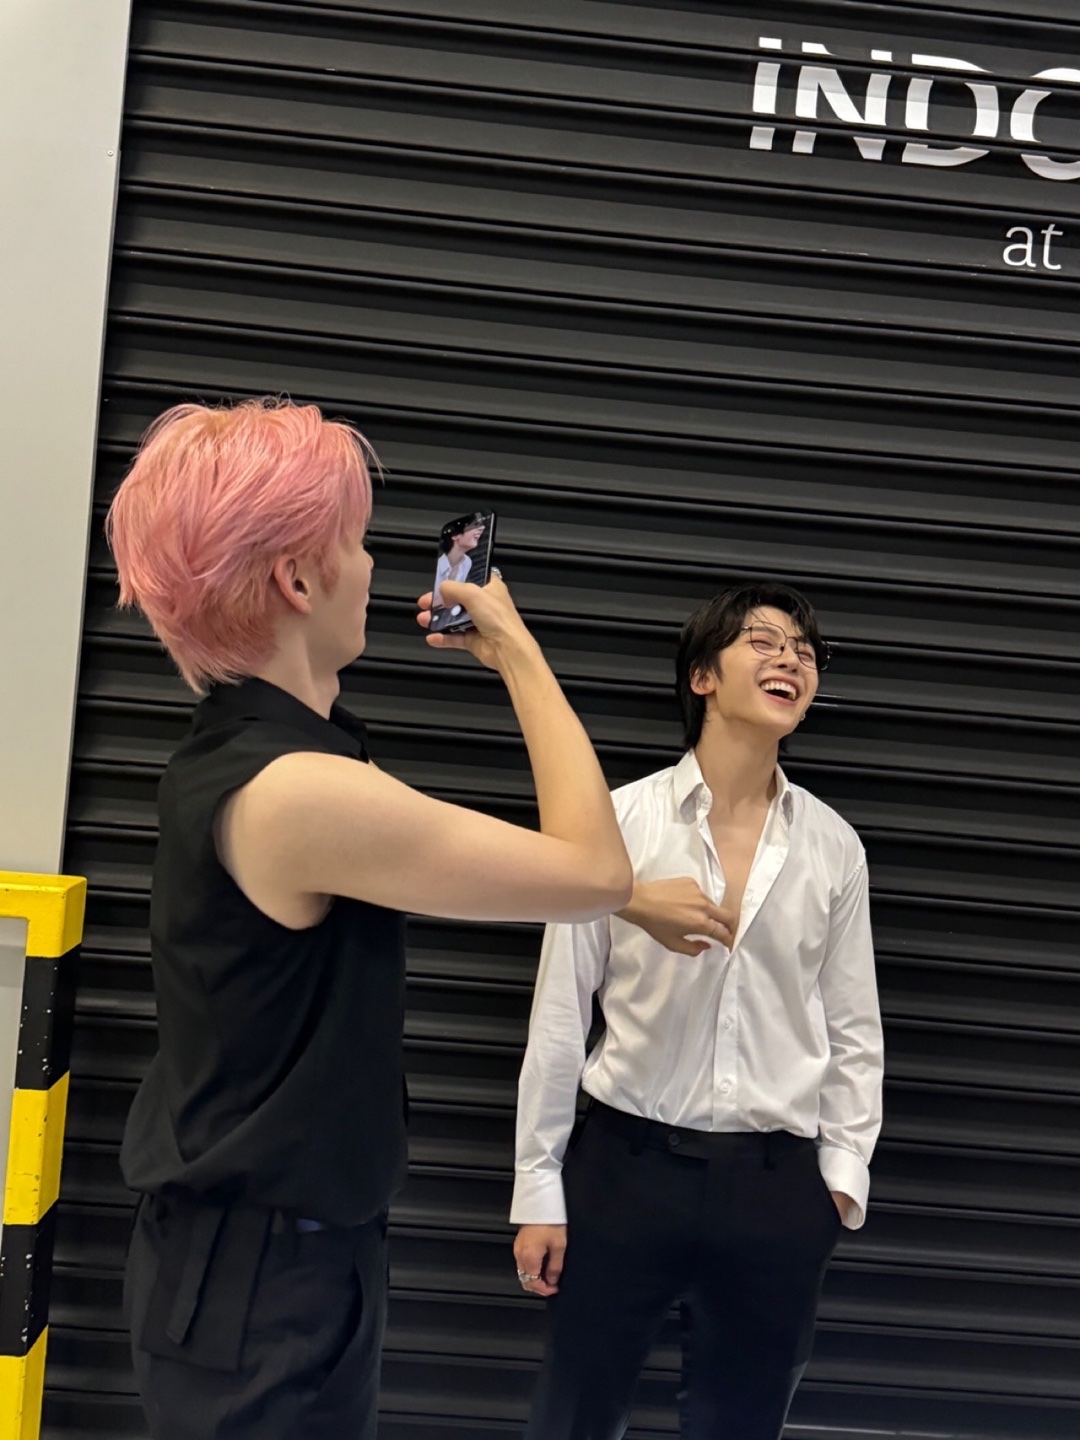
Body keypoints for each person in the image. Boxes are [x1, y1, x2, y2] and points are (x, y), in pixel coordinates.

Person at [105, 397, 632, 1440]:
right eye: (353, 542)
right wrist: (517, 653)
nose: (375, 565)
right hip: (263, 1289)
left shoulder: (256, 759)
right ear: (298, 581)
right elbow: (596, 871)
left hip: (274, 1266)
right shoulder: (299, 793)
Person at [512, 583, 884, 1440]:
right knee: (572, 1414)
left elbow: (853, 1028)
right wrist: (538, 1187)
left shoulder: (834, 846)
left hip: (774, 1187)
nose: (792, 659)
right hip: (624, 1170)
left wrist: (839, 1183)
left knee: (741, 1424)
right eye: (764, 640)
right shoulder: (620, 820)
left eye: (806, 650)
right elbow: (560, 1014)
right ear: (702, 676)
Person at [433, 513, 486, 607]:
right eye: (474, 525)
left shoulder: (467, 562)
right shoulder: (438, 566)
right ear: (455, 536)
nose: (482, 528)